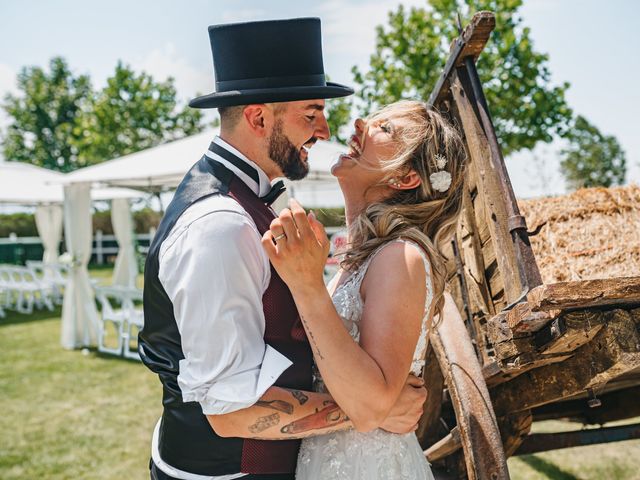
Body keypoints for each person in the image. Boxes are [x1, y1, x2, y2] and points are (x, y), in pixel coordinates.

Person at [139, 18, 428, 480]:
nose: (325, 130)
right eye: (310, 113)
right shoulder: (221, 225)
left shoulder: (248, 201)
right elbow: (230, 412)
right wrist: (369, 411)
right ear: (258, 117)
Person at [262, 100, 467, 479]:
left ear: (405, 177)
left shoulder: (400, 257)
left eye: (384, 129)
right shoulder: (358, 258)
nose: (358, 124)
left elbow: (370, 404)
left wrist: (307, 286)